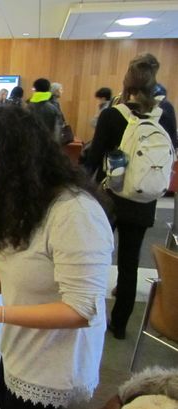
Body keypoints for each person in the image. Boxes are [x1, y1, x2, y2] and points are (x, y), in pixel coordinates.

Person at [0, 106, 113, 409]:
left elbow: (80, 310)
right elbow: (22, 274)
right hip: (21, 353)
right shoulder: (28, 202)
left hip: (52, 366)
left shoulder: (75, 214)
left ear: (22, 163)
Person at [85, 54, 168, 340]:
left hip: (111, 198)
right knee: (130, 262)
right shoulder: (165, 113)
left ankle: (90, 312)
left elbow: (94, 158)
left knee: (96, 256)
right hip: (145, 200)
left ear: (127, 82)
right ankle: (120, 324)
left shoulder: (113, 114)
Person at [27, 77, 63, 143]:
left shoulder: (27, 105)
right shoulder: (53, 105)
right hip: (48, 142)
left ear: (35, 89)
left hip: (31, 141)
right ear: (49, 88)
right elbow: (57, 126)